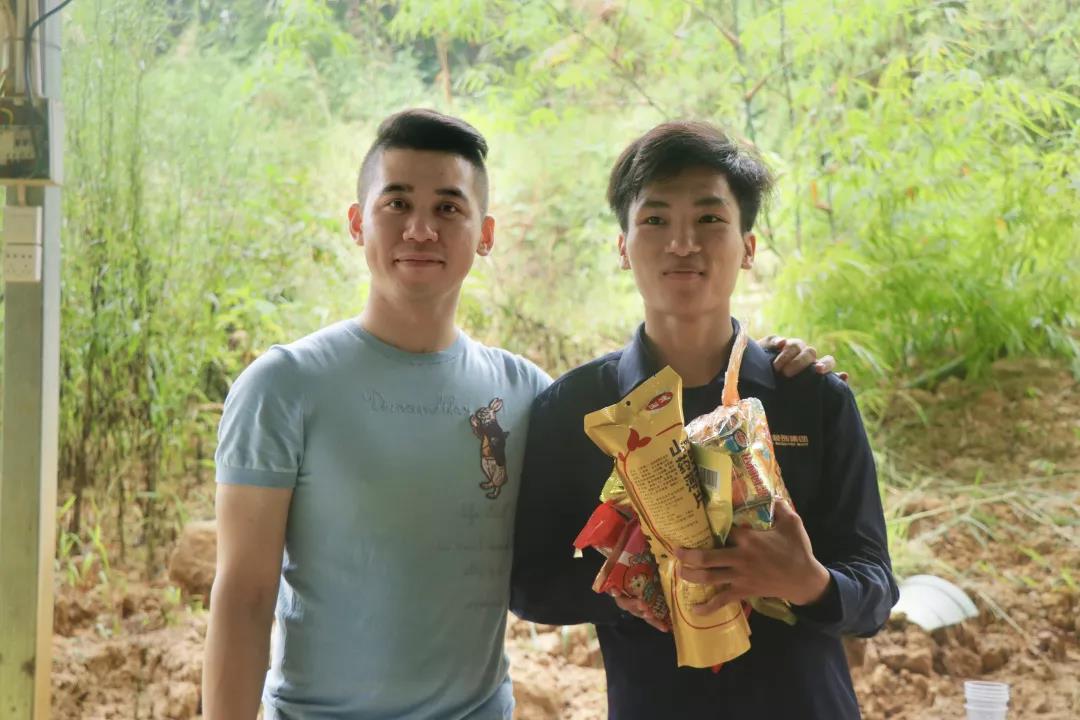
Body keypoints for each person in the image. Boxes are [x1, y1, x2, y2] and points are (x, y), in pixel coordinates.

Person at [202, 109, 830, 720]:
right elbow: (245, 596)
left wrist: (774, 366)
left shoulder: (526, 394)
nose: (420, 229)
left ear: (486, 235)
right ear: (356, 223)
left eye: (449, 207)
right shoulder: (285, 386)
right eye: (396, 203)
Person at [511, 121, 898, 719]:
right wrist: (625, 585)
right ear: (623, 247)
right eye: (655, 219)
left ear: (748, 248)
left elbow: (874, 592)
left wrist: (808, 582)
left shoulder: (812, 399)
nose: (682, 243)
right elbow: (529, 584)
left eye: (710, 218)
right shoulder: (577, 410)